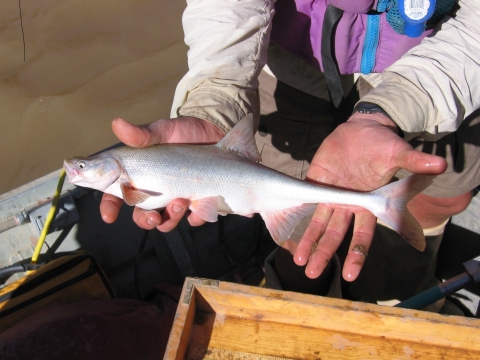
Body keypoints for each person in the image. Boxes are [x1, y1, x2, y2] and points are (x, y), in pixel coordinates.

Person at [100, 0, 480, 312]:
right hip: (290, 65)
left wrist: (404, 101)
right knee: (301, 232)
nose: (78, 170)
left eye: (85, 169)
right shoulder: (128, 176)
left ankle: (399, 296)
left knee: (440, 197)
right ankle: (306, 303)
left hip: (444, 60)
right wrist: (215, 98)